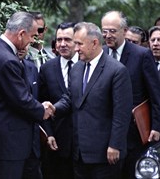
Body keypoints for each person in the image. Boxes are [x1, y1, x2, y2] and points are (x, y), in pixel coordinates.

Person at [0, 11, 54, 179]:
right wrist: (42, 110)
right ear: (21, 34)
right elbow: (21, 99)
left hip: (3, 141)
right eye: (32, 36)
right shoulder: (7, 60)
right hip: (7, 144)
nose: (33, 41)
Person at [53, 22, 133, 179]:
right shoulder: (76, 68)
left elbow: (121, 113)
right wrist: (53, 108)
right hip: (80, 153)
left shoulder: (117, 71)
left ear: (95, 43)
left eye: (79, 44)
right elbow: (70, 99)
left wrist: (114, 145)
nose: (75, 48)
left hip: (106, 153)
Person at [101, 11, 160, 178]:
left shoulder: (141, 55)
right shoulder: (99, 53)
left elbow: (156, 93)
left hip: (133, 131)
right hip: (104, 131)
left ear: (124, 30)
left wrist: (157, 126)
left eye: (112, 31)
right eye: (104, 31)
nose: (108, 35)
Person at [38, 22, 78, 179]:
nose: (62, 44)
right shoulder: (47, 68)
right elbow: (43, 102)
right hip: (57, 142)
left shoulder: (88, 65)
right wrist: (48, 133)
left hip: (85, 143)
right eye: (59, 39)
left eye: (67, 39)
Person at [17, 45, 43, 179]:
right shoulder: (3, 66)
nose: (21, 48)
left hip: (33, 144)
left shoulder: (31, 67)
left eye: (25, 45)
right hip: (12, 145)